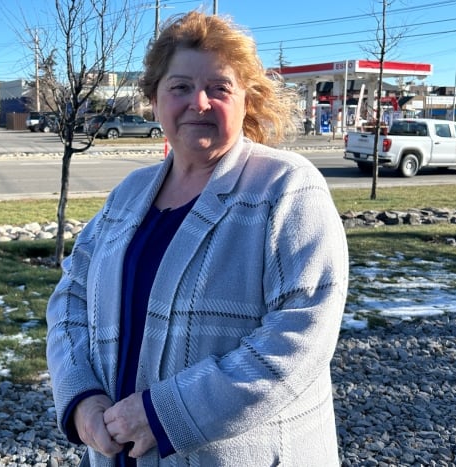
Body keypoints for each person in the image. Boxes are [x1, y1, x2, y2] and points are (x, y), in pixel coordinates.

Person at [46, 10, 349, 467]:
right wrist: (82, 398)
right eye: (180, 87)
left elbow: (302, 332)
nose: (199, 102)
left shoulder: (285, 187)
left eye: (219, 88)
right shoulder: (128, 195)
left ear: (248, 98)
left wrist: (163, 415)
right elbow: (70, 296)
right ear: (154, 100)